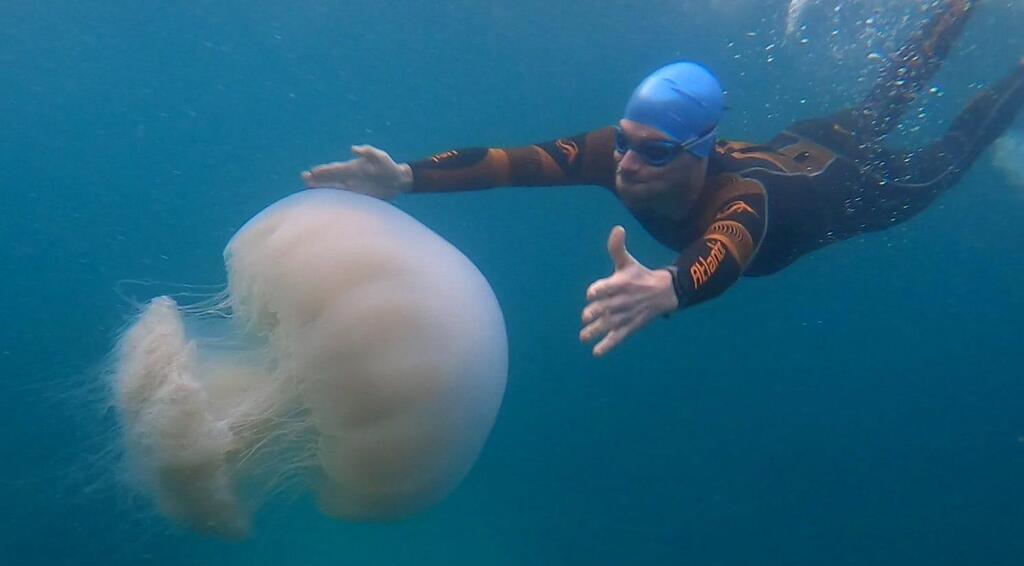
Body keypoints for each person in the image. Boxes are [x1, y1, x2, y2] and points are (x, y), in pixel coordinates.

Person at [301, 0, 1023, 357]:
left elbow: (731, 248)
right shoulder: (618, 154)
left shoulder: (738, 196)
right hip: (805, 143)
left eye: (651, 151)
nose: (623, 162)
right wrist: (405, 178)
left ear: (698, 151)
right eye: (622, 141)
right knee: (883, 101)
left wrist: (671, 287)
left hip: (854, 189)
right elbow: (509, 163)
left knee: (954, 150)